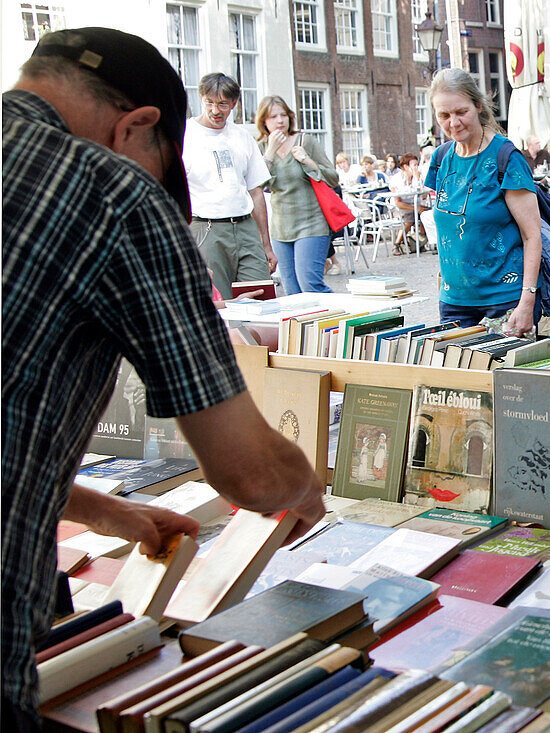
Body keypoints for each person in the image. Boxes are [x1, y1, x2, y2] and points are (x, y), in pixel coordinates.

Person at [2, 28, 325, 727]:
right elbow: (250, 474)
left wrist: (107, 513)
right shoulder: (107, 189)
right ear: (138, 124)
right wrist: (306, 486)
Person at [424, 67, 543, 335]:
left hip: (505, 301)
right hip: (454, 303)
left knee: (506, 376)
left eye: (460, 112)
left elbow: (532, 236)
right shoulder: (441, 159)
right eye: (444, 115)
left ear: (478, 105)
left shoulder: (506, 158)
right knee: (460, 375)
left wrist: (527, 301)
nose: (453, 123)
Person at [183, 73, 276, 299]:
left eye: (223, 104)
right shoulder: (185, 134)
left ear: (234, 104)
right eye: (210, 103)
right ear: (201, 99)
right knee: (216, 302)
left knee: (261, 296)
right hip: (205, 229)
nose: (215, 110)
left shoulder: (241, 137)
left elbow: (256, 192)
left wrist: (266, 244)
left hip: (245, 227)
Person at [256, 95, 338, 294]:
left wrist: (308, 161)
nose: (280, 120)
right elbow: (257, 186)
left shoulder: (304, 141)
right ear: (263, 122)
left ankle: (345, 320)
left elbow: (333, 178)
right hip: (281, 229)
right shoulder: (261, 148)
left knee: (310, 284)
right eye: (273, 116)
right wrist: (270, 154)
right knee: (292, 292)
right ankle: (305, 326)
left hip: (311, 224)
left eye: (283, 115)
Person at [389, 153, 428, 254]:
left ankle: (419, 242)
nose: (416, 167)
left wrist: (419, 180)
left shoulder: (418, 177)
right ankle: (397, 244)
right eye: (414, 165)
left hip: (416, 204)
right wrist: (415, 208)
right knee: (410, 219)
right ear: (406, 166)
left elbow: (424, 196)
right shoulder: (396, 179)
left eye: (417, 164)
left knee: (426, 214)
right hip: (401, 208)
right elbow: (398, 202)